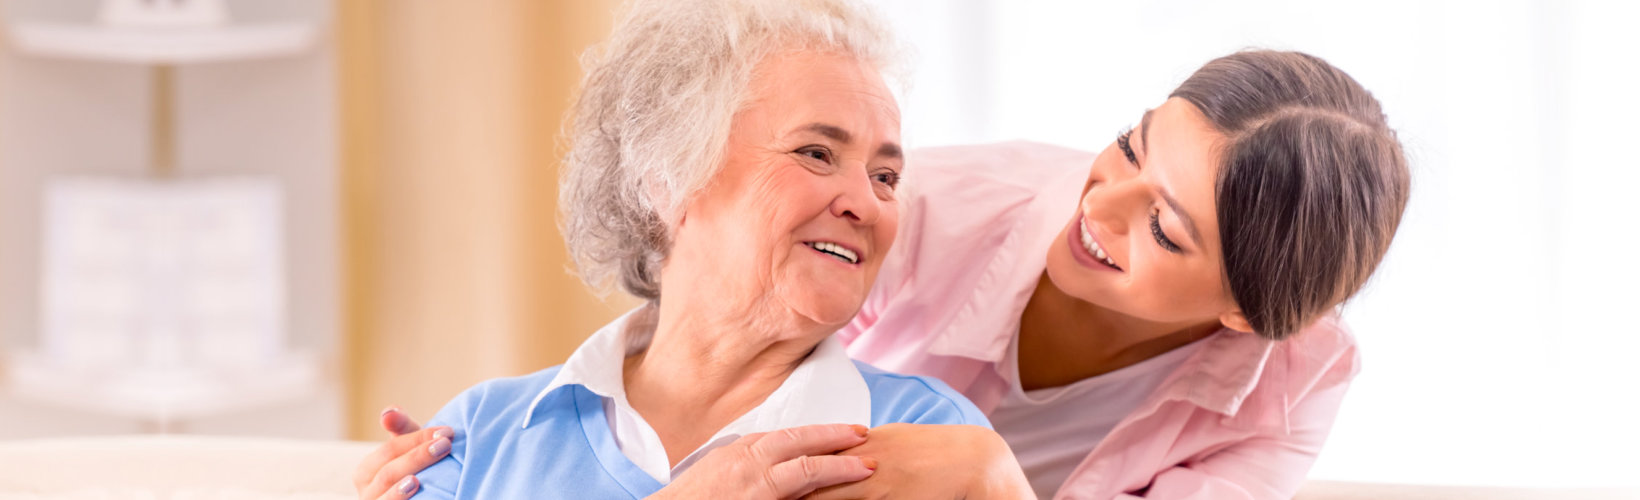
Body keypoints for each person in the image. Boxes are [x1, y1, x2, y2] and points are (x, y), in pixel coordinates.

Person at [359, 6, 1412, 500]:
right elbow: (733, 331)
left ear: (1241, 309)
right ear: (665, 175)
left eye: (1168, 228)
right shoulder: (491, 428)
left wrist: (994, 485)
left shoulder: (904, 448)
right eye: (1132, 147)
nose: (1103, 204)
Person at [353, 1, 1021, 499]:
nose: (867, 203)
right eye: (816, 153)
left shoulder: (927, 442)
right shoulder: (482, 435)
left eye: (886, 177)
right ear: (669, 177)